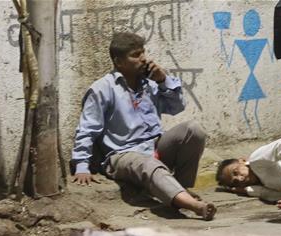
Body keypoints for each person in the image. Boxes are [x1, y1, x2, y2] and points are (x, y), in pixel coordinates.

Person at [71, 32, 215, 220]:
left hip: (154, 145)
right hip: (123, 154)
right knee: (148, 163)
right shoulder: (102, 89)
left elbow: (177, 107)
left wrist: (163, 81)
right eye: (135, 55)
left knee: (194, 130)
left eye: (143, 52)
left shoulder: (150, 82)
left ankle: (180, 189)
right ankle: (194, 205)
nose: (143, 59)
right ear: (119, 61)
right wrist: (82, 165)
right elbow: (87, 128)